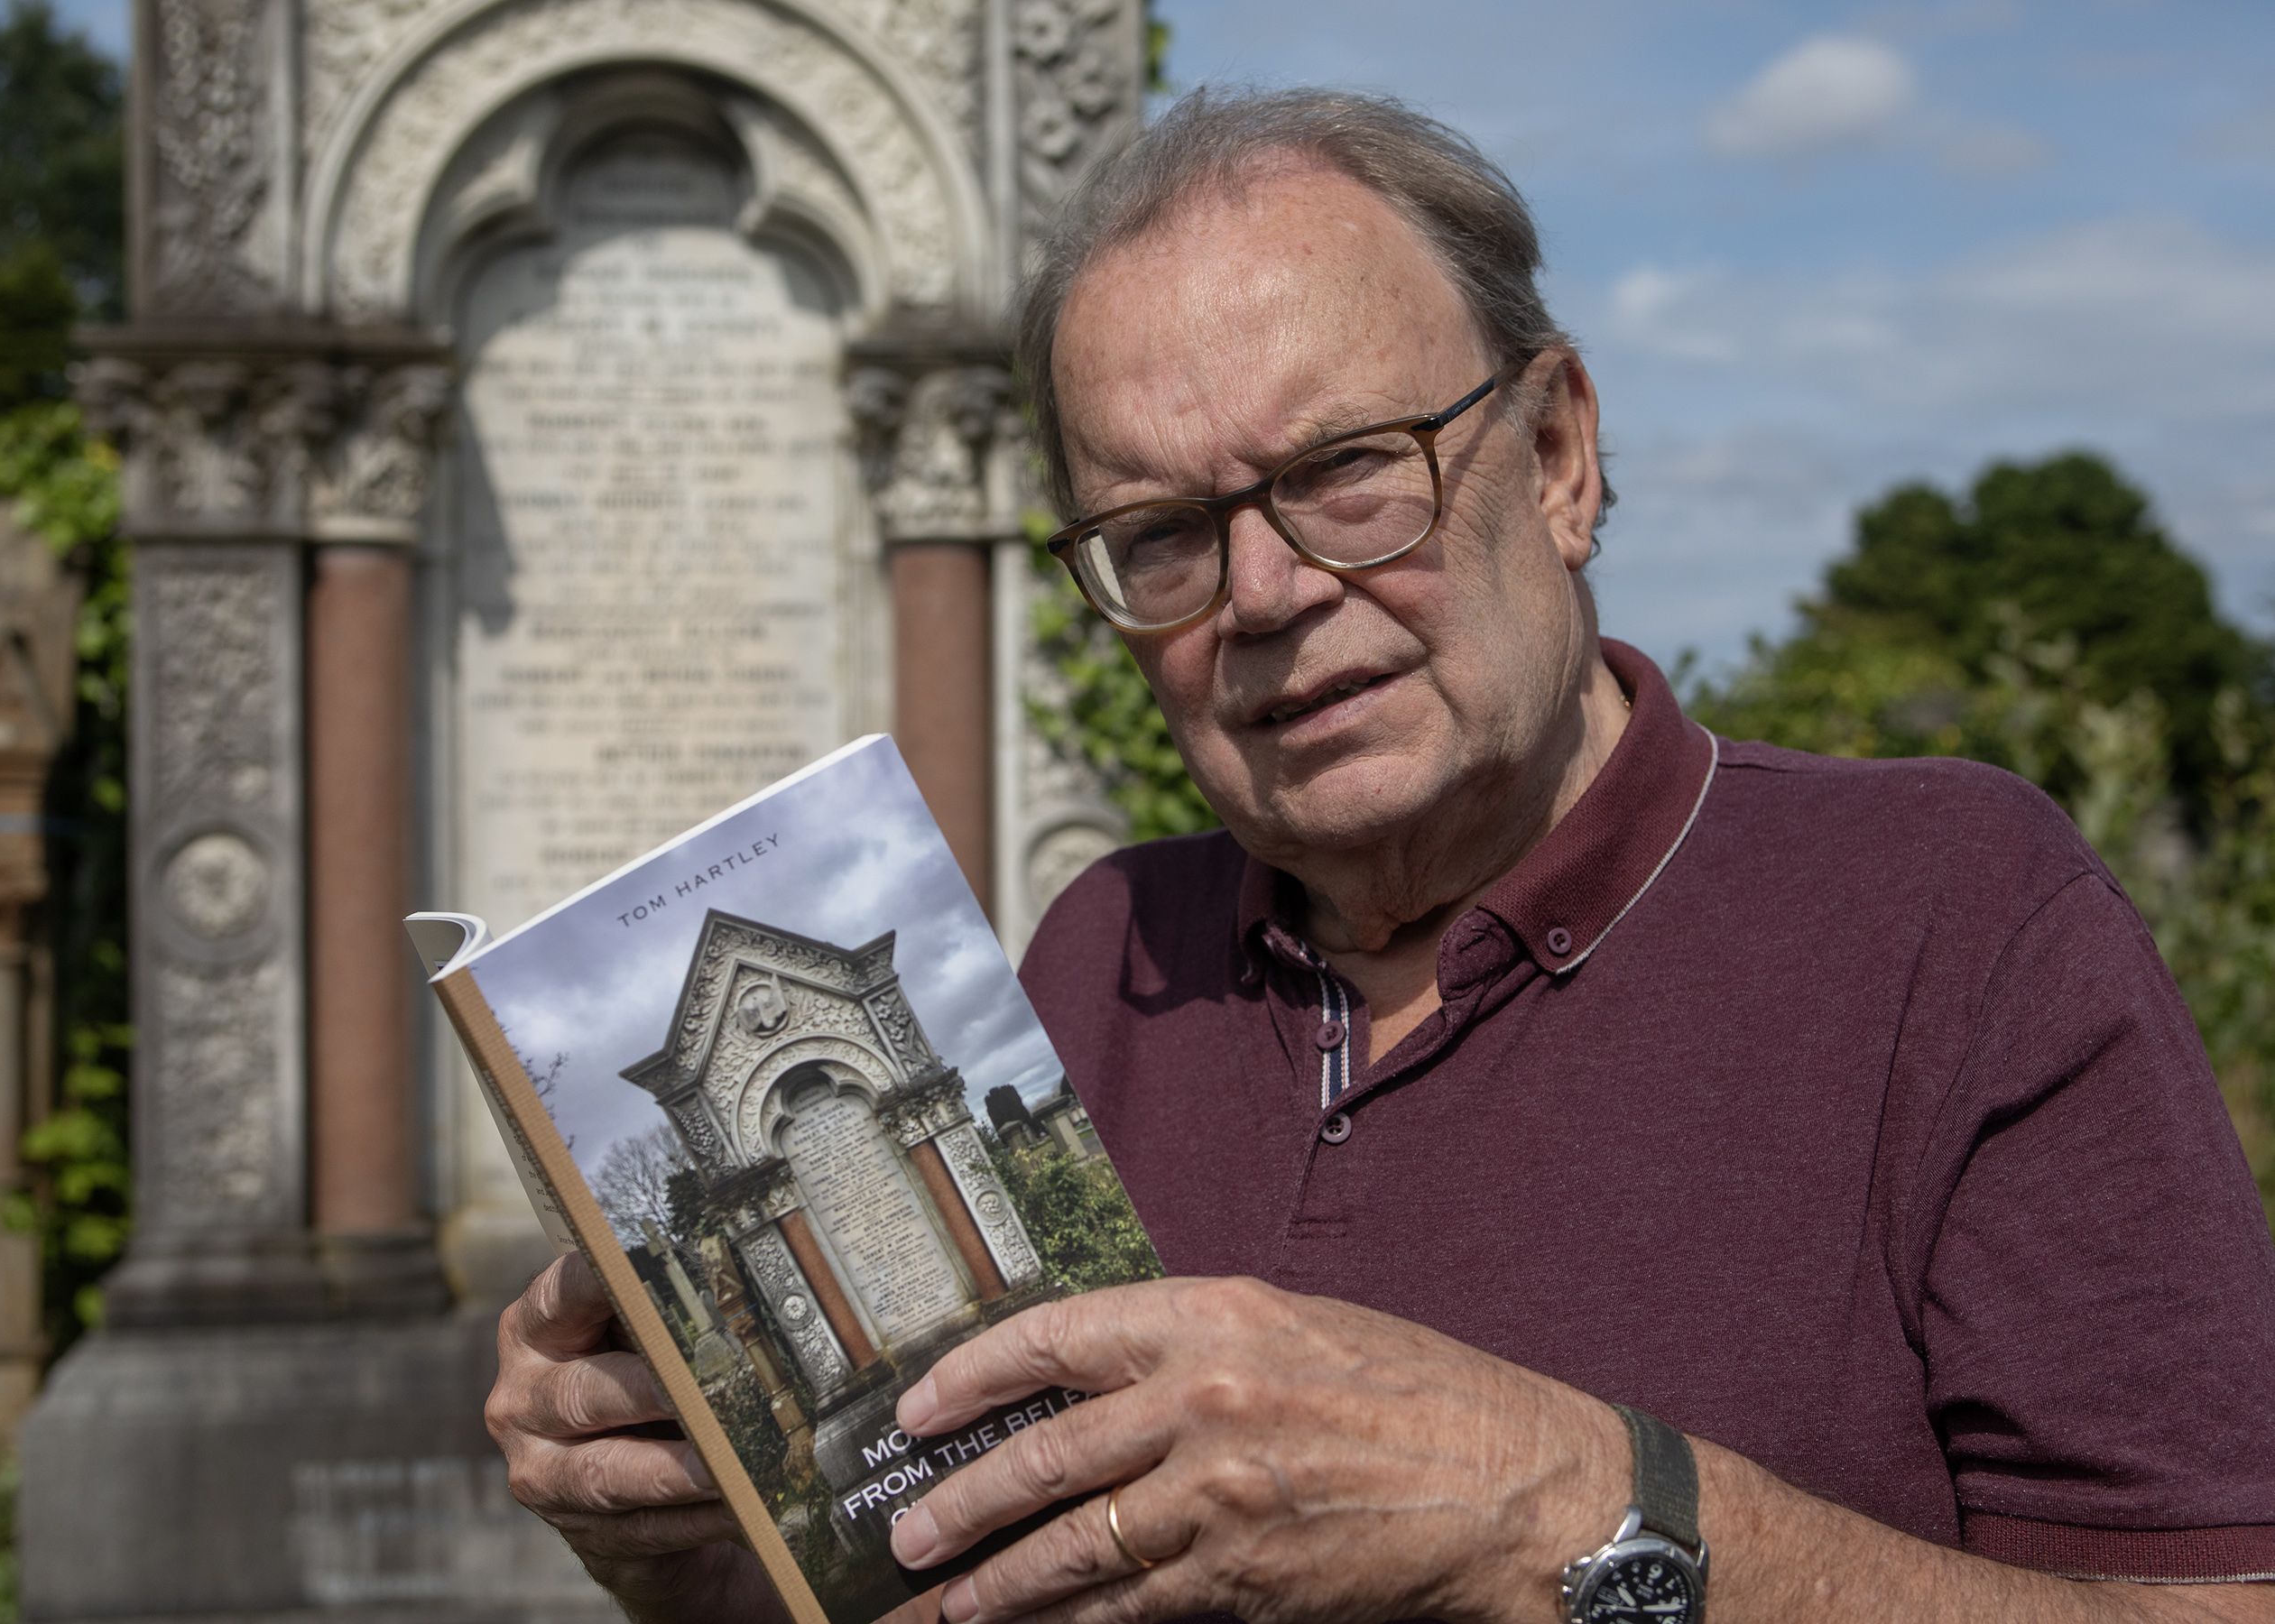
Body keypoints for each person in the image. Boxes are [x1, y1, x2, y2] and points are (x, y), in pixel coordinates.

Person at [484, 88, 2275, 1624]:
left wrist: (1549, 1501)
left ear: (1560, 454)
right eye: (1163, 533)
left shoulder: (1951, 918)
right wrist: (683, 1539)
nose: (1265, 594)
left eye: (1350, 470)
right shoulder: (1101, 958)